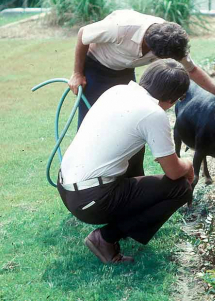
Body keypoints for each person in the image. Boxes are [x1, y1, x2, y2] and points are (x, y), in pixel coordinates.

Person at [57, 59, 195, 264]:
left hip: (68, 189)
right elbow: (174, 172)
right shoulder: (153, 113)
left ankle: (120, 224)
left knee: (137, 174)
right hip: (91, 200)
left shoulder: (117, 91)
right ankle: (105, 238)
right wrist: (189, 164)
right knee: (180, 188)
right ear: (174, 99)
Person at [68, 9, 215, 177]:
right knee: (92, 127)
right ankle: (86, 178)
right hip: (96, 67)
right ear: (156, 52)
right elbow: (83, 34)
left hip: (124, 70)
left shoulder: (169, 39)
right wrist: (77, 73)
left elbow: (193, 70)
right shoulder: (121, 27)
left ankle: (133, 180)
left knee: (134, 128)